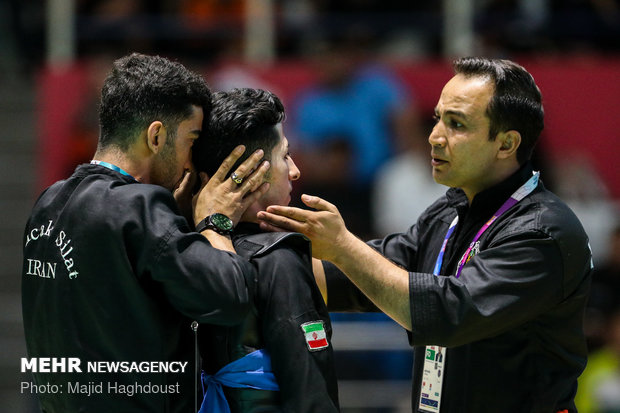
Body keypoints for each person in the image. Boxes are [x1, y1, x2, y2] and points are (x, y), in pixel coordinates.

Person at [258, 57, 593, 412]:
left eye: (456, 124)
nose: (434, 136)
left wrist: (342, 246)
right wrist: (241, 263)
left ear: (506, 144)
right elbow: (359, 278)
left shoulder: (542, 233)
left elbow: (447, 314)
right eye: (438, 119)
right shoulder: (449, 212)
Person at [22, 53, 271, 413]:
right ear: (156, 136)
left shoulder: (49, 201)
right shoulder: (139, 207)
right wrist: (215, 221)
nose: (190, 161)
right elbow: (230, 297)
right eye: (191, 140)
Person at [192, 88, 339, 412]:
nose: (295, 170)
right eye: (285, 155)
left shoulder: (185, 249)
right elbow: (310, 393)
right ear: (253, 171)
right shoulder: (279, 259)